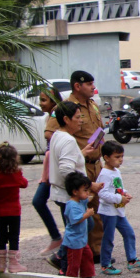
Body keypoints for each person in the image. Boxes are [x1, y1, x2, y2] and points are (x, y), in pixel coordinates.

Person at [44, 71, 106, 262]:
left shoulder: (93, 105)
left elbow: (99, 130)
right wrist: (75, 150)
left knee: (97, 210)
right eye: (88, 84)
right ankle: (73, 255)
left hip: (95, 163)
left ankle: (94, 251)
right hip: (79, 167)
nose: (92, 87)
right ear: (77, 86)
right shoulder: (66, 108)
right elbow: (49, 133)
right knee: (82, 215)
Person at [96, 141, 140, 275]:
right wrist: (119, 198)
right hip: (109, 212)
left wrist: (124, 193)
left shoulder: (116, 172)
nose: (120, 160)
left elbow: (117, 188)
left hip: (118, 211)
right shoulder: (105, 174)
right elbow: (102, 193)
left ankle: (132, 260)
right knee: (108, 238)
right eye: (117, 157)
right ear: (106, 157)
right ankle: (105, 264)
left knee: (129, 233)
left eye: (121, 156)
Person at [0, 143, 29, 273]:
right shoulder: (16, 174)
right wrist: (20, 174)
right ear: (15, 159)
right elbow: (25, 184)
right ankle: (14, 264)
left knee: (1, 237)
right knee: (14, 237)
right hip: (14, 212)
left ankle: (1, 265)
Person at [32, 87, 64, 257]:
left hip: (55, 167)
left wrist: (45, 174)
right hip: (50, 167)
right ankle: (58, 238)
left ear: (53, 100)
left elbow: (50, 142)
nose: (40, 103)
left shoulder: (56, 113)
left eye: (44, 100)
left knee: (58, 202)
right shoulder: (51, 115)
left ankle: (63, 243)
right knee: (43, 201)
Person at [62, 172, 96, 278]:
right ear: (75, 191)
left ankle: (87, 275)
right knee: (74, 263)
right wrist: (87, 214)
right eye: (85, 190)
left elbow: (87, 199)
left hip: (81, 239)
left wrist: (93, 191)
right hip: (74, 241)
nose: (87, 193)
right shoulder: (72, 205)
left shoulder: (80, 201)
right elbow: (75, 220)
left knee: (87, 256)